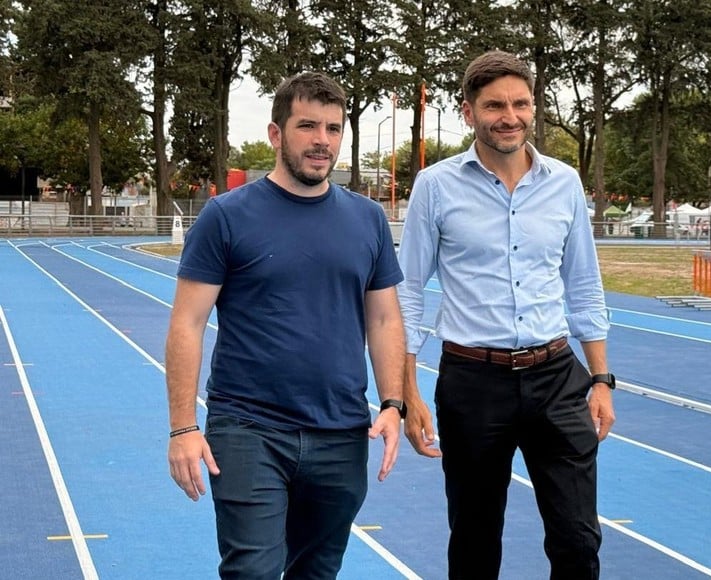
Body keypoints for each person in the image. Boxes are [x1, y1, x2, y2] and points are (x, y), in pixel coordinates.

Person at [165, 71, 407, 579]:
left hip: (341, 432)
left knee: (316, 571)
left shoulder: (367, 220)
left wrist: (392, 403)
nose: (322, 141)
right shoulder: (225, 217)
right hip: (249, 428)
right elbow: (187, 322)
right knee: (252, 571)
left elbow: (384, 317)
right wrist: (183, 427)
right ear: (277, 134)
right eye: (308, 126)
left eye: (334, 129)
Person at [397, 51, 616, 580]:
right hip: (473, 382)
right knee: (474, 542)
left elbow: (584, 284)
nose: (509, 115)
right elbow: (406, 293)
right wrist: (406, 392)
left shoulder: (564, 183)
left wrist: (602, 379)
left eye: (520, 103)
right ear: (469, 112)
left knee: (578, 541)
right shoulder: (435, 185)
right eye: (494, 104)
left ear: (533, 108)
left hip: (558, 378)